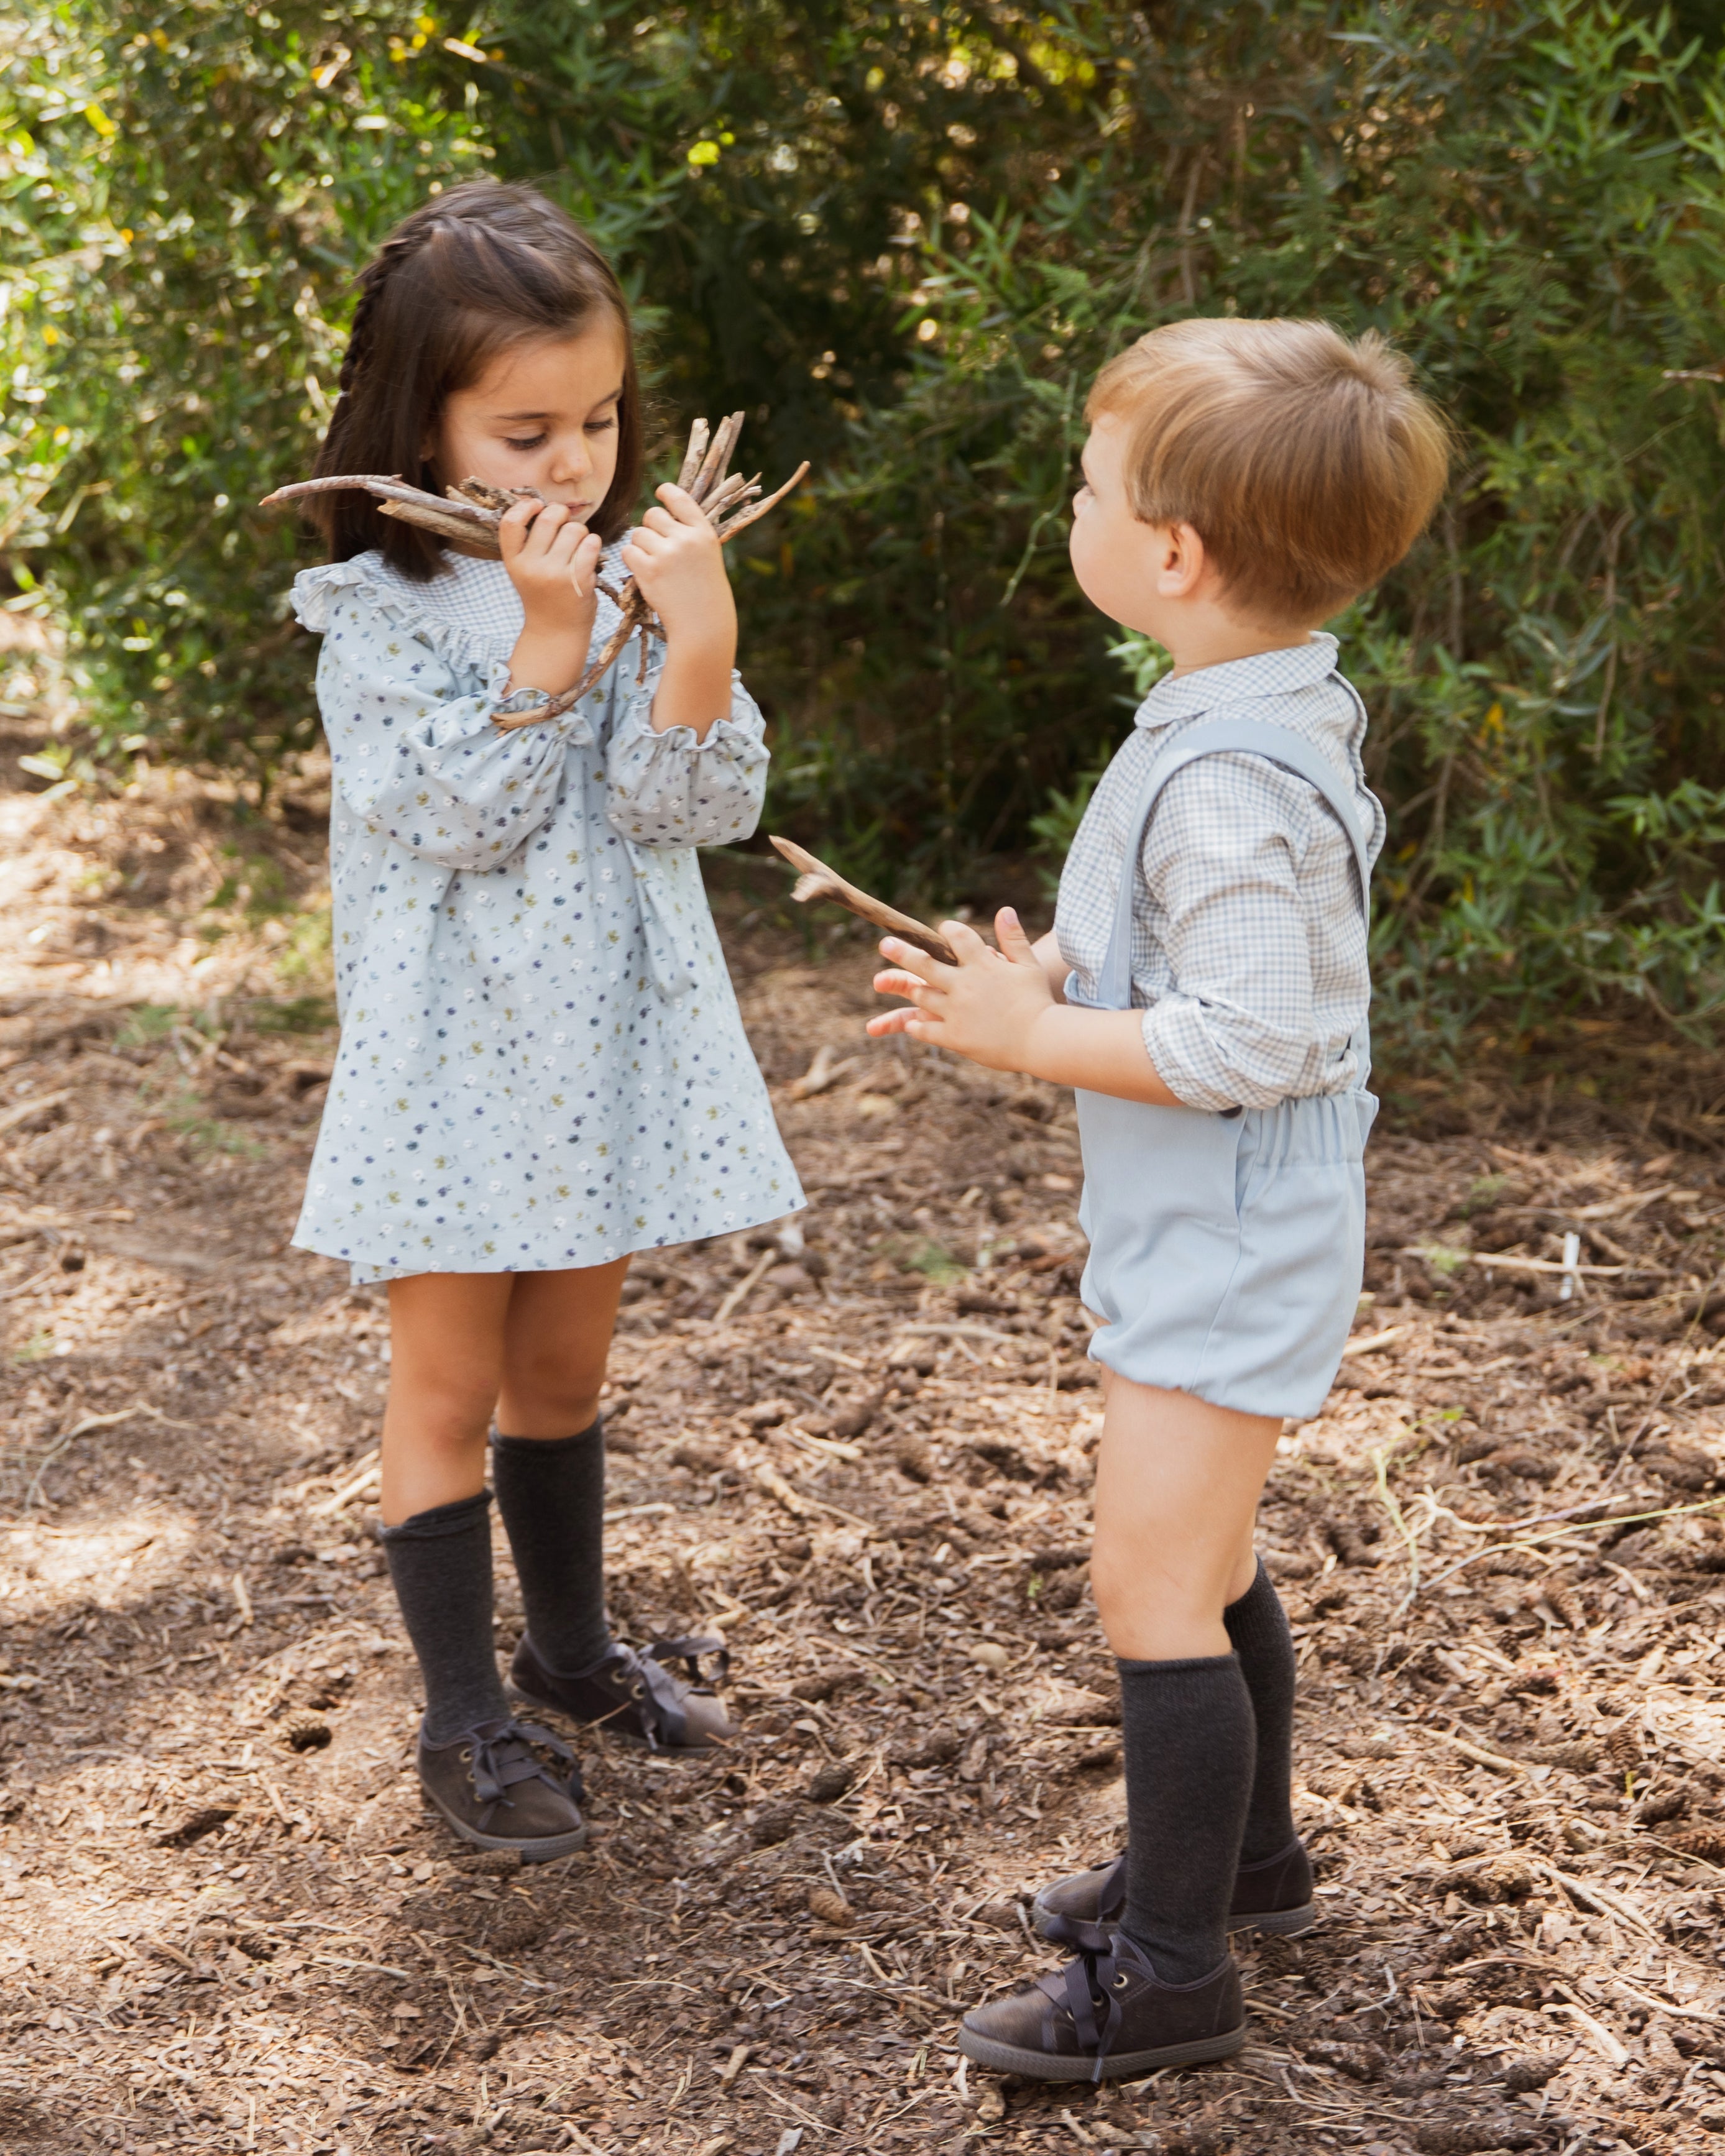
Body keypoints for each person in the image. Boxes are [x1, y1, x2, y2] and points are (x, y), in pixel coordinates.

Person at [869, 317, 1450, 2078]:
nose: (1074, 508)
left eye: (1088, 488)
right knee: (1211, 1557)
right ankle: (1248, 1860)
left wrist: (1034, 1032)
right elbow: (1211, 963)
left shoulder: (1217, 772)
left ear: (1172, 555)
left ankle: (1175, 1972)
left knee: (1152, 1589)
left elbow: (1251, 1032)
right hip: (1222, 1223)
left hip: (1228, 1232)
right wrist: (1054, 971)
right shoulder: (1261, 700)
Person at [286, 180, 802, 1861]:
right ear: (418, 419)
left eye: (596, 423)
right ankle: (463, 1724)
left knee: (565, 1372)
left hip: (606, 1057)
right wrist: (555, 641)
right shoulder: (374, 614)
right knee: (448, 1381)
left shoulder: (642, 586)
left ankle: (569, 1656)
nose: (571, 465)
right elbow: (458, 820)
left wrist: (698, 635)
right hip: (454, 1073)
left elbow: (687, 805)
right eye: (524, 429)